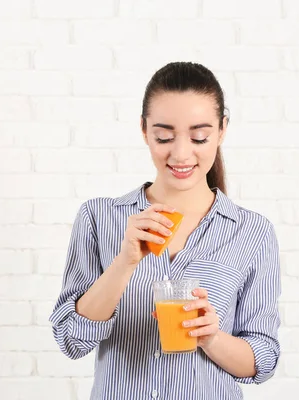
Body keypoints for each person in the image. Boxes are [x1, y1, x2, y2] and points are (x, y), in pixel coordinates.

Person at [49, 62, 282, 400]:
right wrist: (124, 263)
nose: (181, 153)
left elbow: (264, 358)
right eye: (164, 136)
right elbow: (70, 340)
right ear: (144, 130)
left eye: (199, 136)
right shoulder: (99, 217)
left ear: (222, 130)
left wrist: (211, 338)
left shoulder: (252, 232)